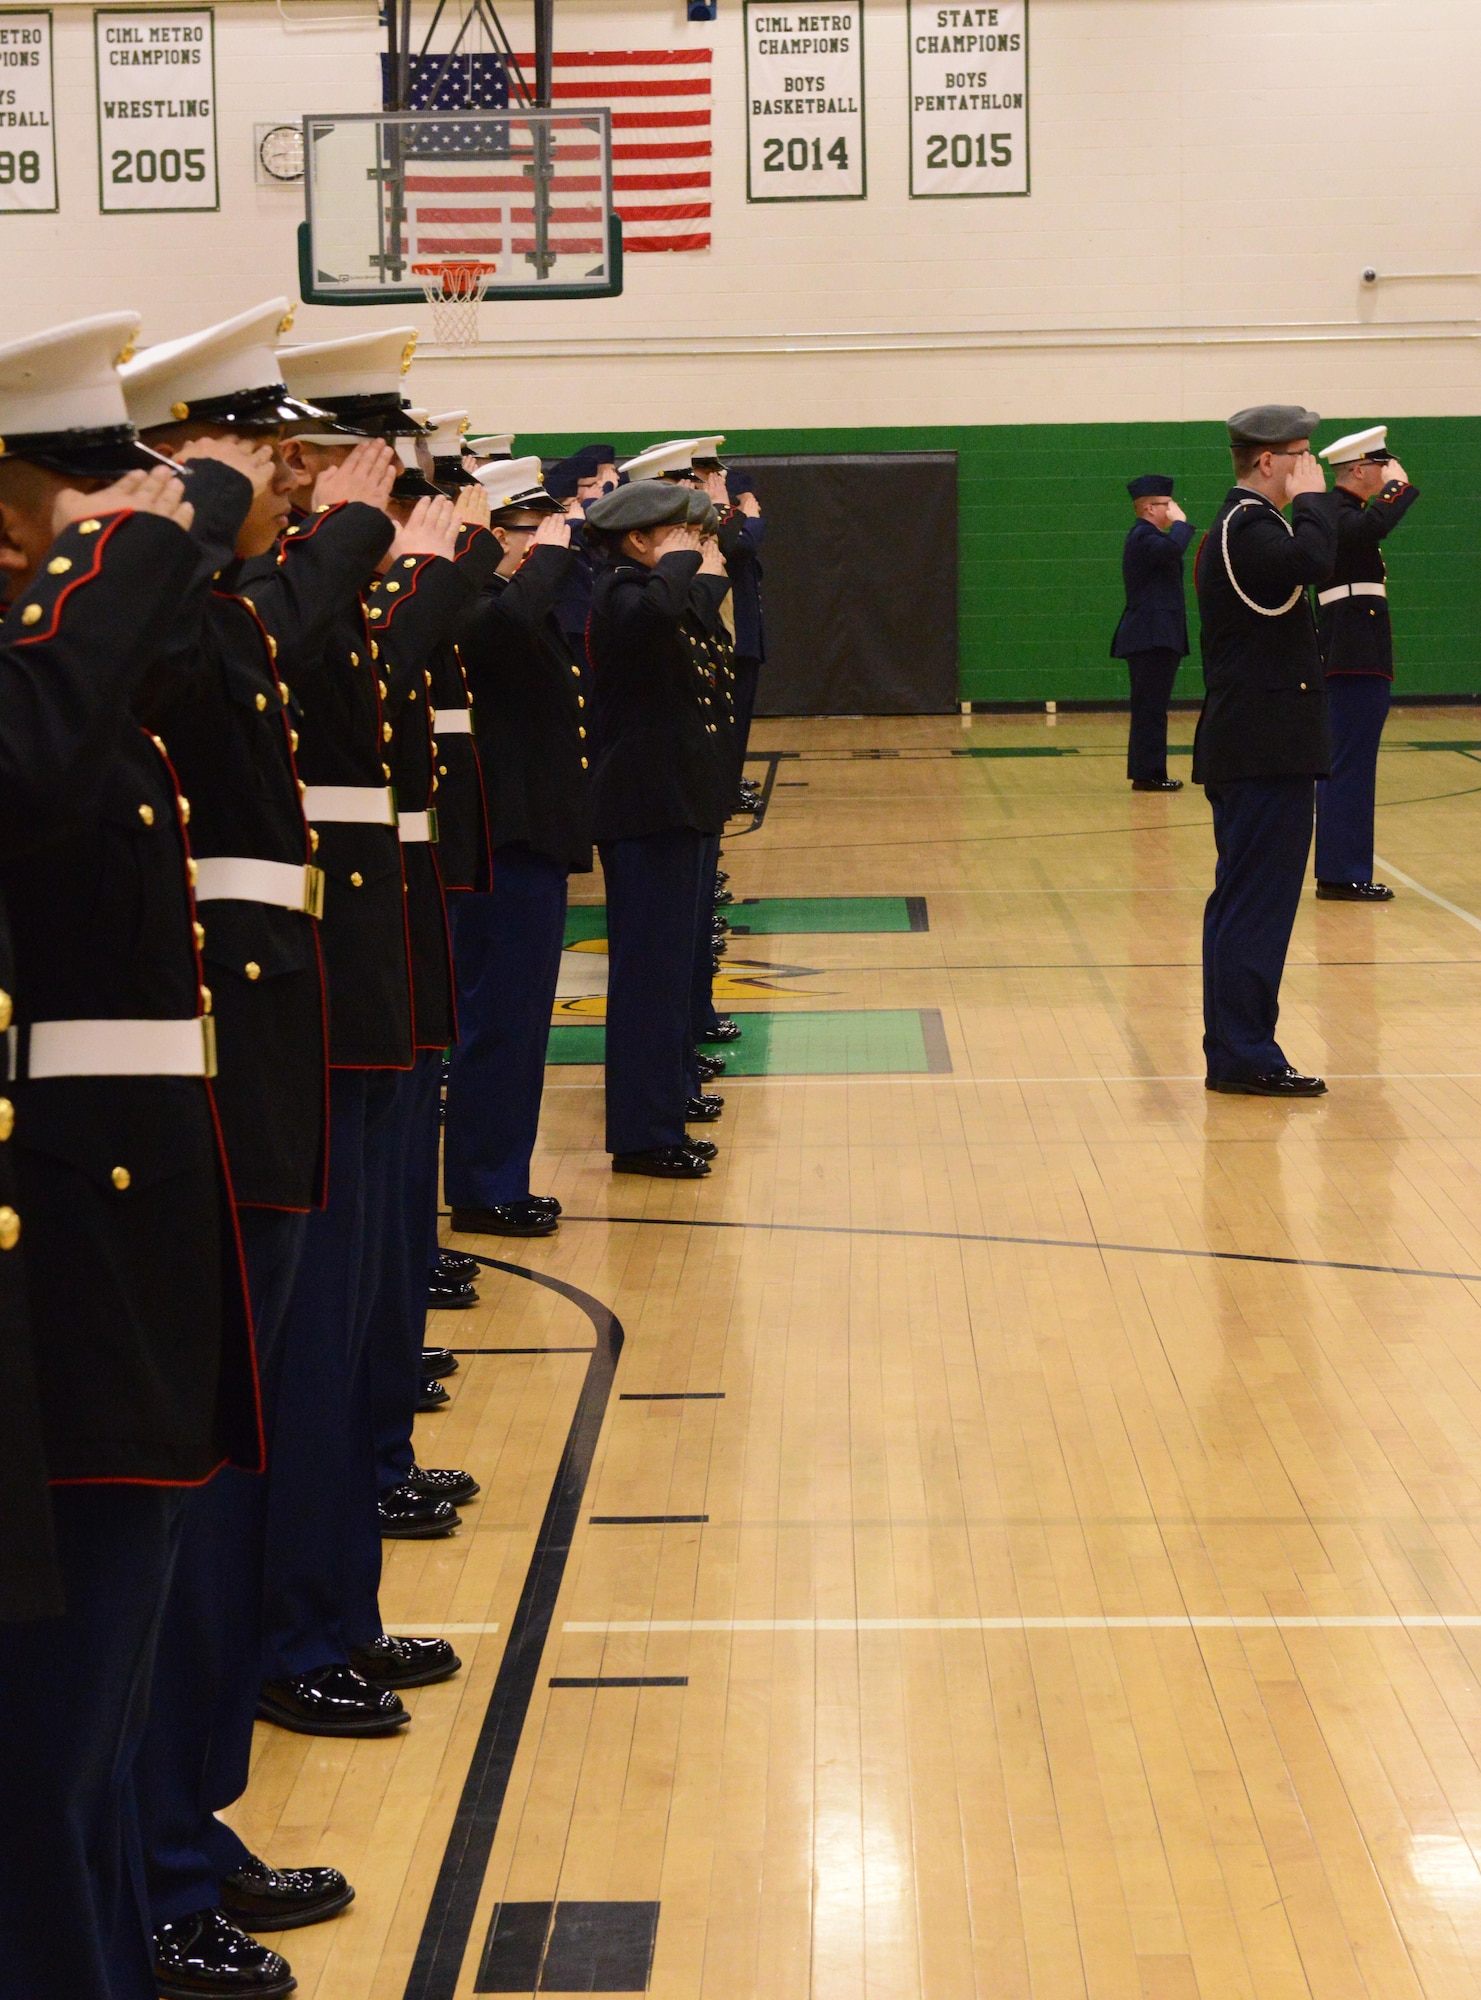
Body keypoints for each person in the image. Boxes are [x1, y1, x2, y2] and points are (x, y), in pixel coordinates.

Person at [0, 314, 260, 2000]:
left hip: (107, 1222)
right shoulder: (41, 658)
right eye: (63, 487)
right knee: (45, 1762)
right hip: (69, 1240)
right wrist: (140, 550)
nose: (79, 522)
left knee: (74, 1746)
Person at [120, 300, 355, 1997]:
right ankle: (161, 1852)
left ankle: (184, 1832)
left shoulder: (207, 614)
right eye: (262, 456)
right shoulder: (176, 619)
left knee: (227, 1475)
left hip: (245, 1064)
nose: (287, 480)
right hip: (182, 1092)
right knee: (182, 1509)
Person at [444, 455, 592, 1233]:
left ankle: (502, 1172)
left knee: (522, 1020)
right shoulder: (465, 603)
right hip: (500, 839)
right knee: (496, 1020)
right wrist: (549, 563)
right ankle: (481, 1182)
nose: (546, 544)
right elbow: (492, 636)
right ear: (496, 533)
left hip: (531, 833)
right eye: (532, 531)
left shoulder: (505, 597)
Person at [584, 478, 735, 1177]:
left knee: (671, 973)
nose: (695, 551)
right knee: (647, 979)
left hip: (678, 804)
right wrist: (680, 564)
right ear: (640, 539)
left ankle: (666, 1106)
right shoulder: (619, 597)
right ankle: (643, 1133)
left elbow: (689, 614)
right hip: (646, 810)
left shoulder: (657, 596)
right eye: (679, 537)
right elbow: (652, 616)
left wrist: (699, 559)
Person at [1193, 404, 1343, 1097]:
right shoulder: (1245, 528)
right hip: (1261, 749)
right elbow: (1313, 561)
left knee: (1241, 905)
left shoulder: (1248, 526)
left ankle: (1236, 1050)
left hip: (1258, 746)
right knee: (1254, 907)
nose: (1308, 467)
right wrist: (1316, 500)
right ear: (1267, 462)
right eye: (1301, 456)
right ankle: (1245, 1053)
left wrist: (1312, 502)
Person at [1312, 424, 1419, 901]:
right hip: (1353, 652)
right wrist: (1399, 489)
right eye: (1380, 466)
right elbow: (1368, 529)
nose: (1385, 472)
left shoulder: (1345, 511)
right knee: (1350, 765)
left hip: (1359, 650)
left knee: (1353, 763)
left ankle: (1344, 868)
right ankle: (1341, 872)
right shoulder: (1335, 510)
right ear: (1359, 469)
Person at [1111, 473, 1195, 791]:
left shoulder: (1150, 538)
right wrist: (1181, 524)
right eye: (1167, 504)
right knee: (1150, 709)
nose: (1172, 508)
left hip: (1156, 636)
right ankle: (1149, 774)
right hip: (1150, 636)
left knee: (1153, 708)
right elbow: (1173, 550)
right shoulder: (1143, 538)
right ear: (1149, 508)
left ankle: (1150, 771)